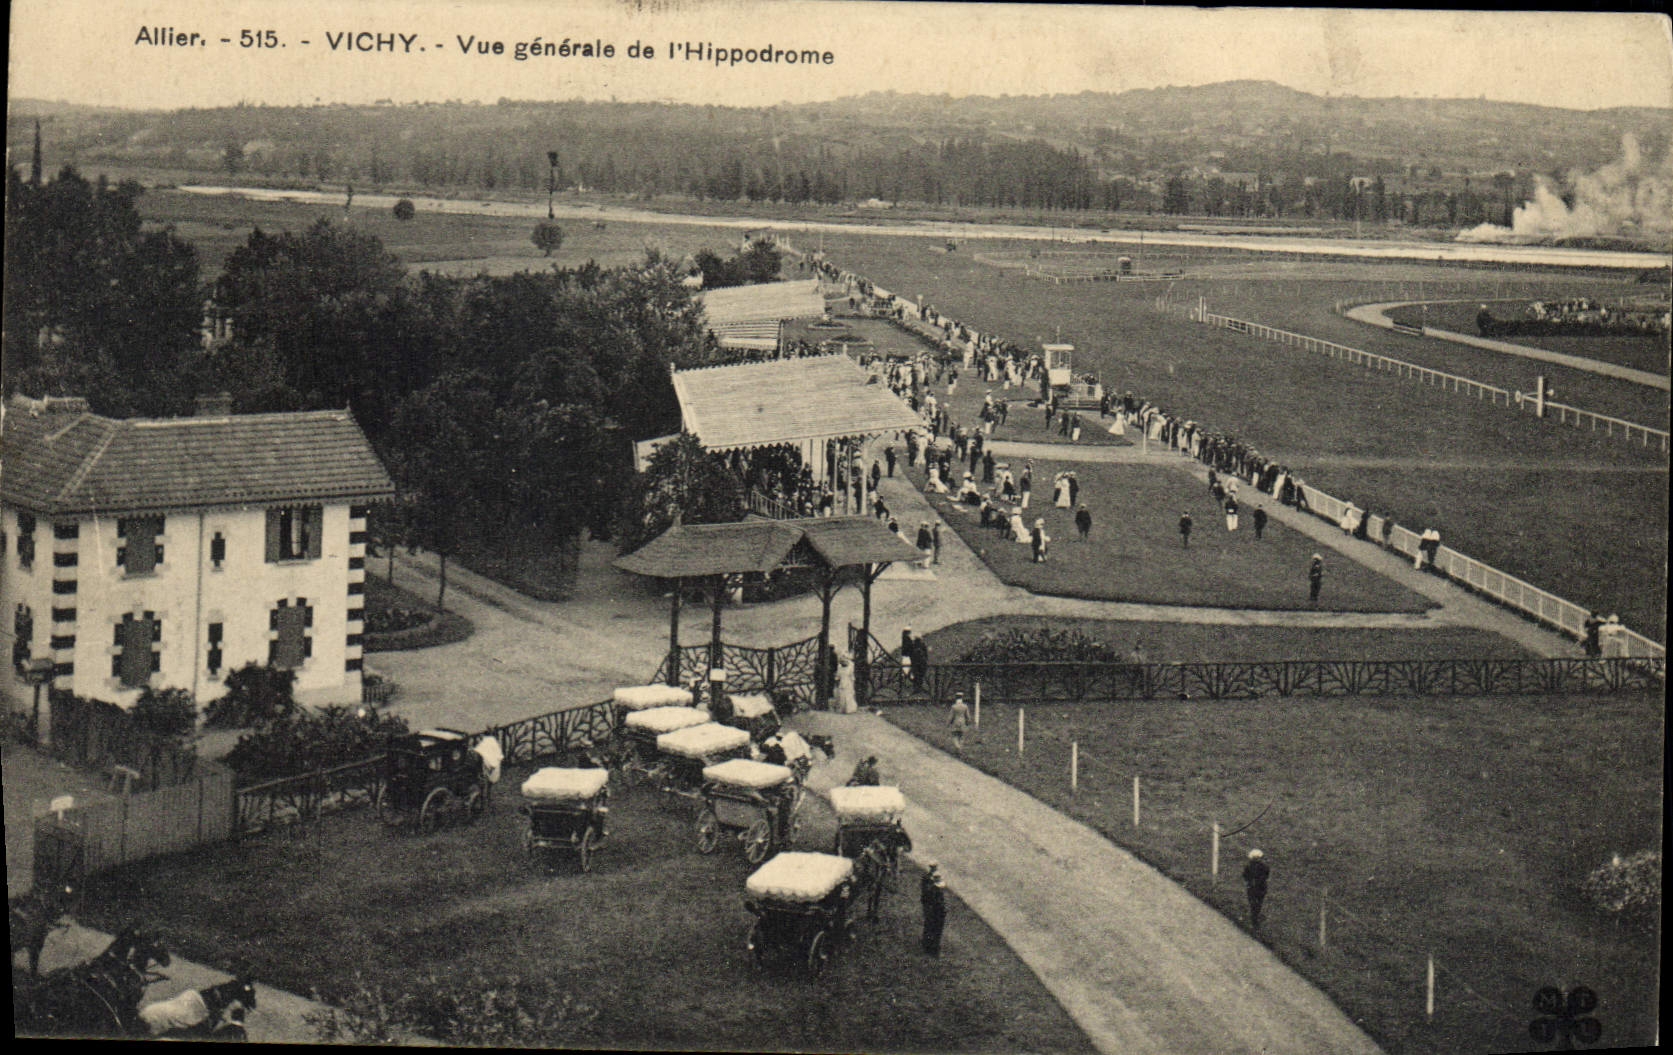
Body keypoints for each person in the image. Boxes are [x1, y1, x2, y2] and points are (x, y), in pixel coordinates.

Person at [921, 861, 948, 956]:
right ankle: (932, 948)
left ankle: (927, 945)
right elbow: (938, 904)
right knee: (934, 929)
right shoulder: (934, 891)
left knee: (930, 927)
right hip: (936, 912)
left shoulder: (929, 884)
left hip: (935, 911)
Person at [1243, 849, 1270, 931]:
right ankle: (1255, 919)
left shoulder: (1249, 866)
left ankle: (1254, 919)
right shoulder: (1264, 866)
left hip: (1252, 887)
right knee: (1258, 903)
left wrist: (1249, 881)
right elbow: (1266, 875)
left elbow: (1245, 875)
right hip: (1261, 887)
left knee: (1253, 903)